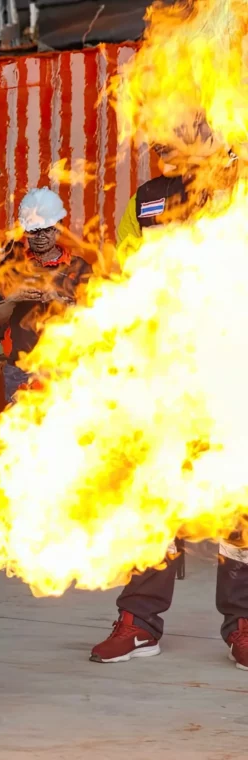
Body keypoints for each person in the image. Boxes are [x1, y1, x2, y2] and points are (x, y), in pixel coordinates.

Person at [90, 140, 248, 669]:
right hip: (162, 367)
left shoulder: (237, 187)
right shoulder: (147, 200)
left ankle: (244, 621)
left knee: (238, 505)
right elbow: (127, 277)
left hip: (229, 365)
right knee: (150, 495)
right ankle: (139, 621)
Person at [0, 188, 92, 402]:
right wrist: (14, 298)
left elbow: (96, 321)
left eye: (47, 230)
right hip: (20, 371)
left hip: (67, 372)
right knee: (20, 433)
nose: (40, 237)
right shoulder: (12, 268)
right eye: (34, 231)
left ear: (58, 230)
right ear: (25, 232)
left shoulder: (79, 268)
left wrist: (59, 299)